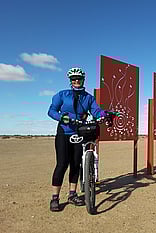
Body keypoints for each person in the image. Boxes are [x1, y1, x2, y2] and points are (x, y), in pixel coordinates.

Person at [48, 67, 108, 212]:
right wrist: (62, 117)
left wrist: (103, 114)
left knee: (76, 164)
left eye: (78, 79)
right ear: (70, 81)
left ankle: (72, 194)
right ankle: (55, 198)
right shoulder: (62, 95)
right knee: (62, 164)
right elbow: (51, 111)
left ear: (83, 80)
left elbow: (95, 110)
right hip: (64, 132)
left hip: (79, 132)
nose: (76, 81)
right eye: (73, 79)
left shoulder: (88, 98)